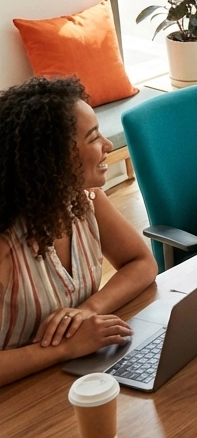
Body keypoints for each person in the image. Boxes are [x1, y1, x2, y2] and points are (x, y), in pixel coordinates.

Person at [0, 77, 158, 386]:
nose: (108, 146)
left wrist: (88, 311)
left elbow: (142, 263)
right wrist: (65, 348)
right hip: (19, 398)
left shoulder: (84, 198)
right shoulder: (6, 241)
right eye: (94, 137)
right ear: (54, 158)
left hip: (79, 376)